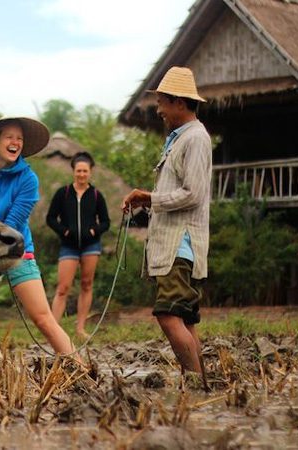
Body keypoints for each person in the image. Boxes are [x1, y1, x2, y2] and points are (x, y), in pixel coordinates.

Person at [121, 66, 211, 375]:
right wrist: (148, 200)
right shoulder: (179, 139)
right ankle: (200, 383)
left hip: (180, 244)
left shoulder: (195, 138)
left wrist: (149, 198)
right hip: (175, 242)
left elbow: (193, 194)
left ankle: (195, 382)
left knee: (168, 315)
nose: (158, 110)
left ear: (179, 103)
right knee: (184, 318)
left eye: (162, 103)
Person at [0, 117, 75, 360]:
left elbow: (12, 224)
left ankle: (81, 369)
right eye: (9, 137)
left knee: (43, 319)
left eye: (20, 138)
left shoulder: (28, 179)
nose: (15, 142)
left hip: (16, 250)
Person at [46, 152, 110, 339]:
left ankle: (80, 329)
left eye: (85, 171)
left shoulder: (96, 195)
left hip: (91, 246)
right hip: (69, 246)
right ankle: (53, 330)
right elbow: (51, 218)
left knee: (86, 284)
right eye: (78, 171)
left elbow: (105, 222)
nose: (81, 174)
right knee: (63, 288)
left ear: (90, 172)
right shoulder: (63, 193)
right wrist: (65, 231)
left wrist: (93, 231)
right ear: (73, 171)